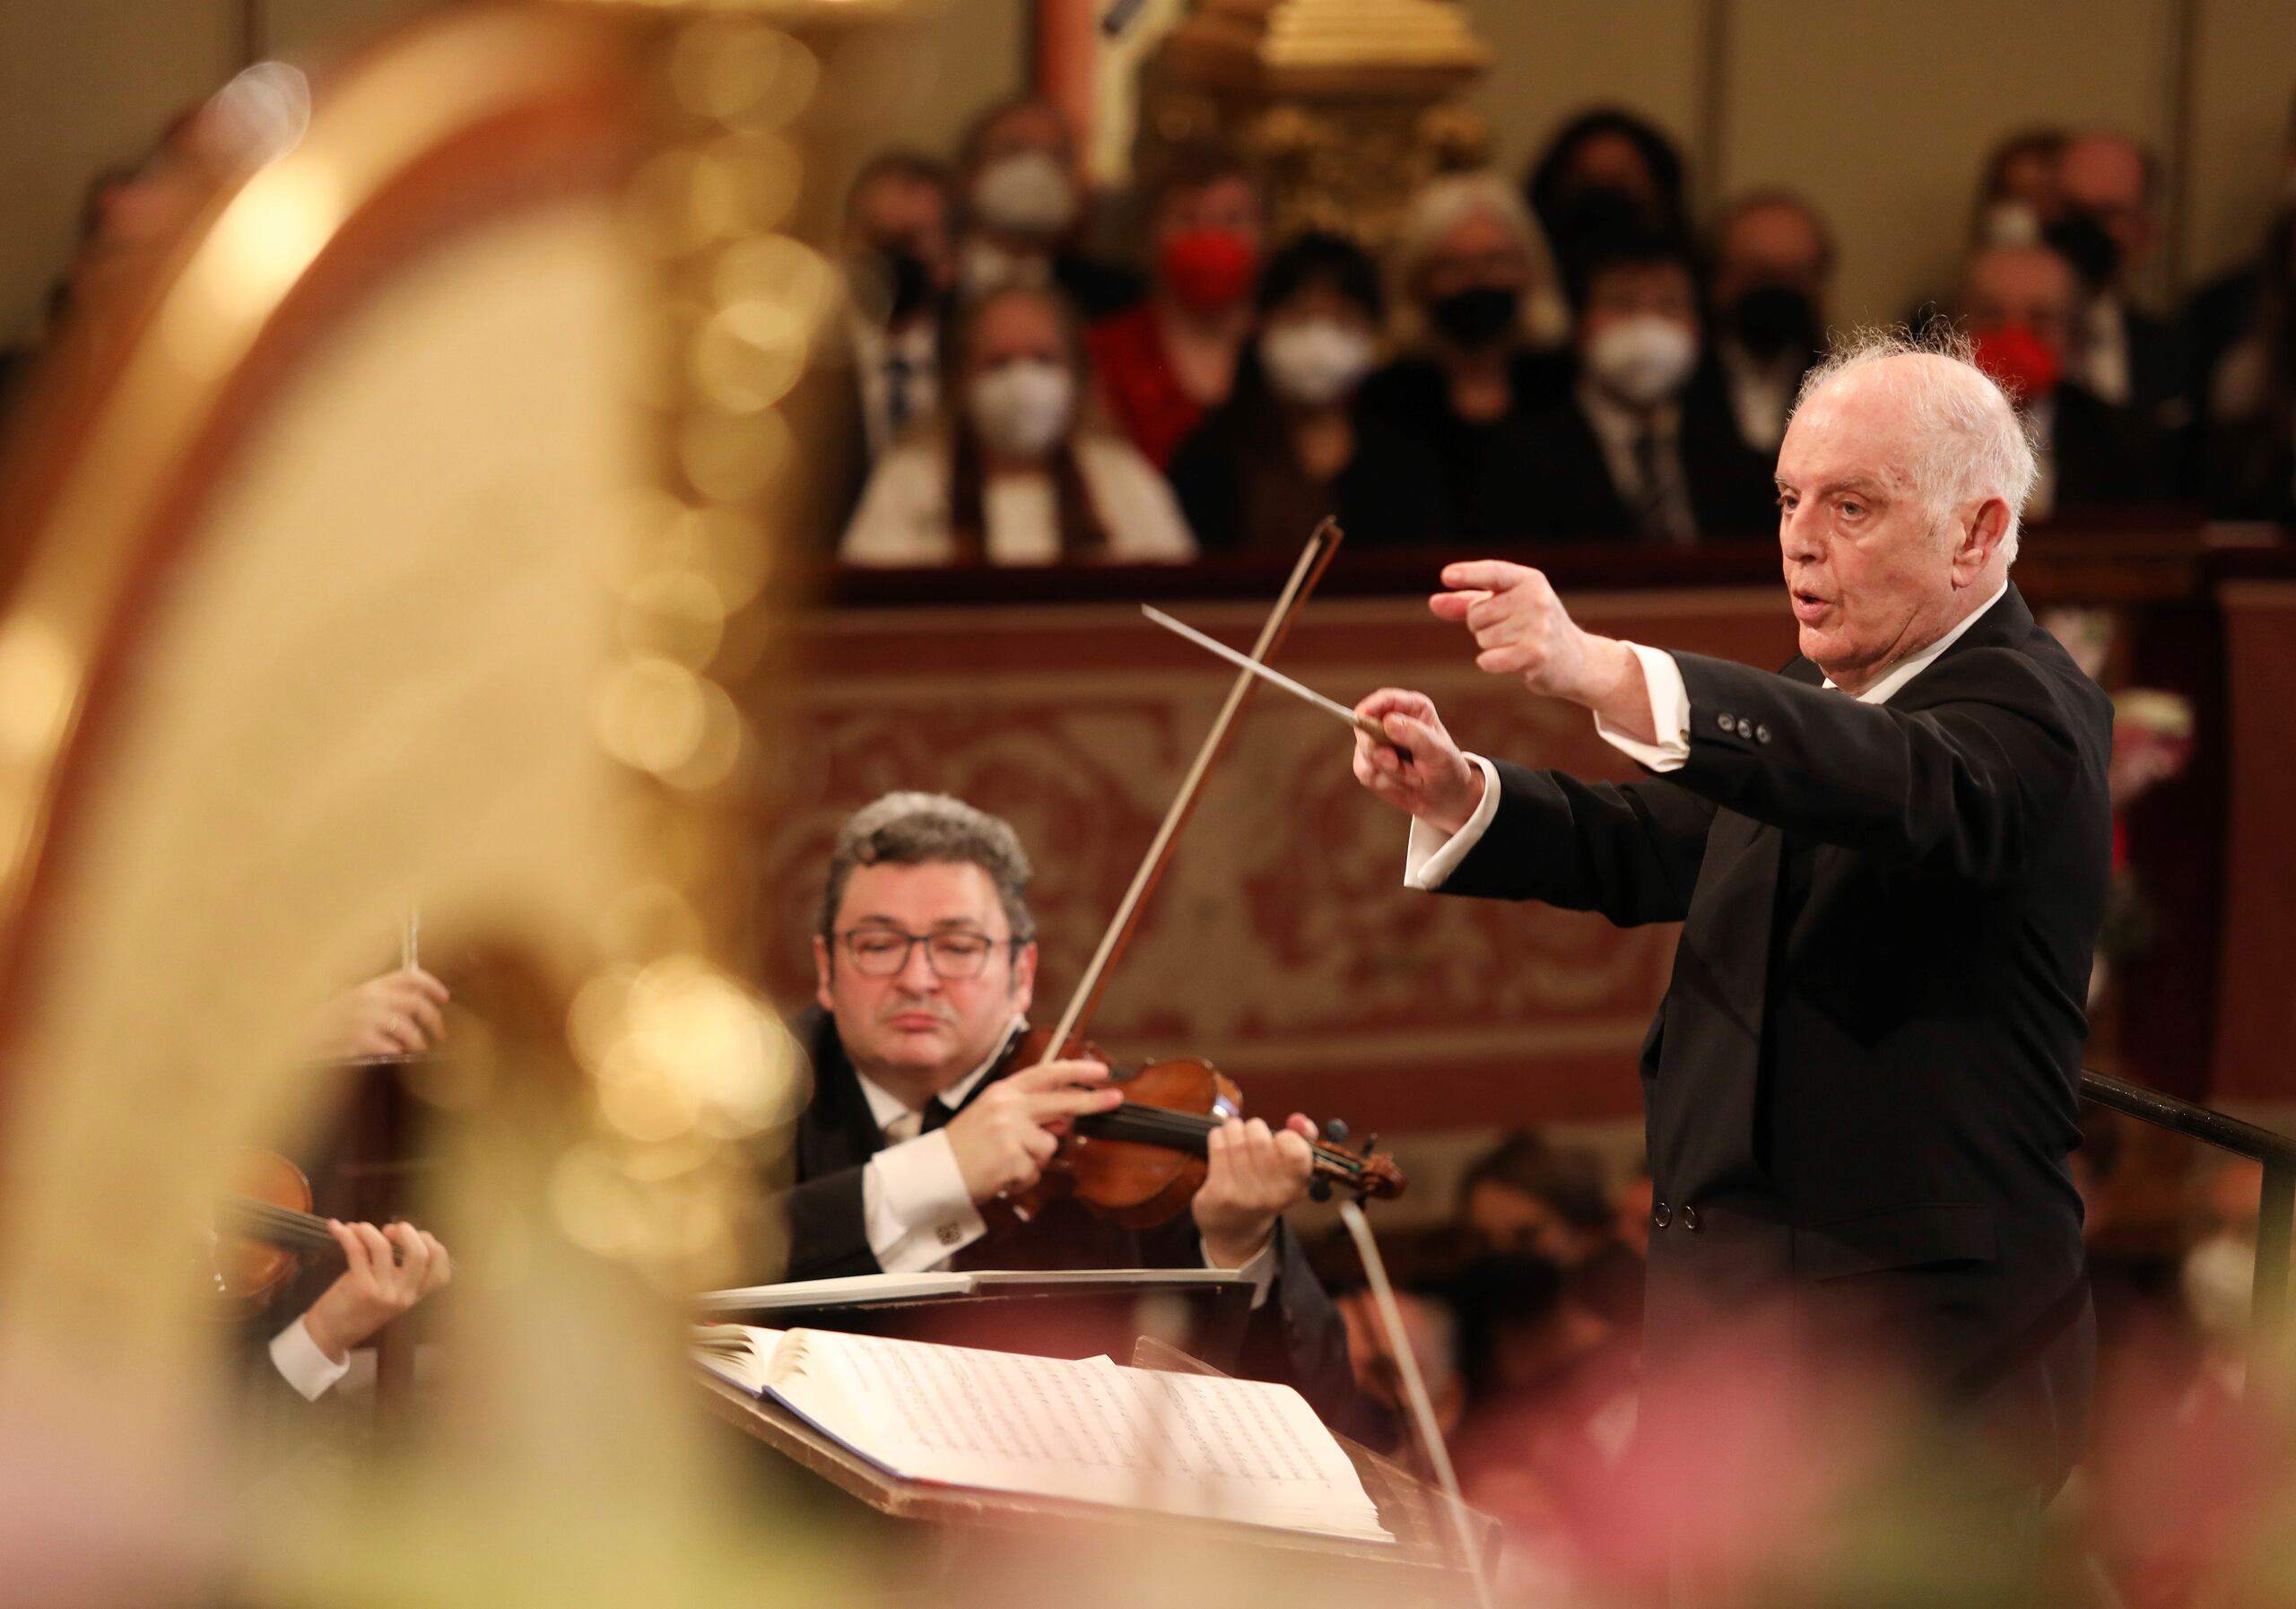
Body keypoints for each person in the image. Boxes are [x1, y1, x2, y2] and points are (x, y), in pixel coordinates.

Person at [1349, 327, 2111, 1521]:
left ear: (1978, 530)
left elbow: (1897, 783)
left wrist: (1599, 666)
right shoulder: (1837, 703)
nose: (1802, 540)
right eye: (1789, 500)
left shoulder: (2031, 708)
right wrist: (1464, 793)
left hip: (1919, 1374)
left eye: (1851, 506)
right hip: (1740, 1342)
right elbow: (1663, 841)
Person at [776, 792, 1352, 1413]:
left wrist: (1237, 1249)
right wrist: (942, 1169)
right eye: (879, 944)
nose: (918, 978)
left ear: (1022, 974)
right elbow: (702, 1270)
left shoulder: (1107, 1134)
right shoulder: (751, 1101)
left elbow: (1314, 1406)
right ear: (826, 970)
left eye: (959, 946)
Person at [839, 283, 1195, 566]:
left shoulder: (1118, 478)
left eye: (1043, 360)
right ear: (961, 380)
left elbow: (1176, 597)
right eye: (998, 363)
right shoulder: (911, 479)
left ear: (1076, 376)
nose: (1023, 382)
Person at [1167, 232, 1448, 551]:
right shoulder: (1208, 461)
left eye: (1342, 318)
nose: (1319, 337)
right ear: (1259, 323)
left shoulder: (1404, 466)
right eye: (1300, 315)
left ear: (1373, 332)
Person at [1518, 229, 1778, 541]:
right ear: (1579, 323)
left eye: (1669, 304)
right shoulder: (1523, 460)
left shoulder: (1738, 461)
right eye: (1621, 303)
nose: (1646, 325)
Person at [1356, 171, 1570, 543]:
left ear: (1529, 270)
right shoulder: (1385, 401)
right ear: (1417, 282)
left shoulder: (1565, 388)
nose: (1477, 281)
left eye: (1496, 260)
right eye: (1452, 266)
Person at [1085, 140, 1265, 471]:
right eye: (1188, 219)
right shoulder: (1102, 354)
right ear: (1148, 235)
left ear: (1265, 235)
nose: (1210, 237)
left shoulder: (1283, 353)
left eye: (1233, 220)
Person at [1961, 241, 2164, 516]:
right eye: (1992, 316)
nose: (2014, 337)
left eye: (2040, 320)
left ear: (2073, 336)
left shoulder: (2122, 442)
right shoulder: (1920, 431)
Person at [2050, 131, 2192, 447]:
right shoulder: (1963, 332)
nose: (2084, 230)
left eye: (2106, 214)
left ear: (2145, 231)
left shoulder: (2177, 351)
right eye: (2072, 210)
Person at [952, 95, 1140, 319]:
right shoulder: (928, 284)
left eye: (1055, 156)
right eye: (1013, 150)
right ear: (968, 172)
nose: (1036, 170)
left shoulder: (1120, 298)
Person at [837, 151, 957, 465]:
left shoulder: (967, 360)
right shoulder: (809, 365)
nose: (887, 262)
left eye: (908, 242)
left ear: (950, 260)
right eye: (876, 238)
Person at [1458, 1132, 1643, 1334]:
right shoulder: (1473, 1329)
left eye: (1526, 1237)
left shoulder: (1636, 1320)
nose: (1503, 1255)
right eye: (1483, 1241)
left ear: (1586, 1233)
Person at [1700, 190, 1835, 455]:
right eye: (1757, 273)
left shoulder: (1842, 391)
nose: (1777, 291)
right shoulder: (1673, 393)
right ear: (1718, 279)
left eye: (1795, 273)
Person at [1522, 107, 1691, 290]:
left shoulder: (1687, 283)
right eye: (1586, 184)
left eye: (1620, 184)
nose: (1605, 206)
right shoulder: (1527, 290)